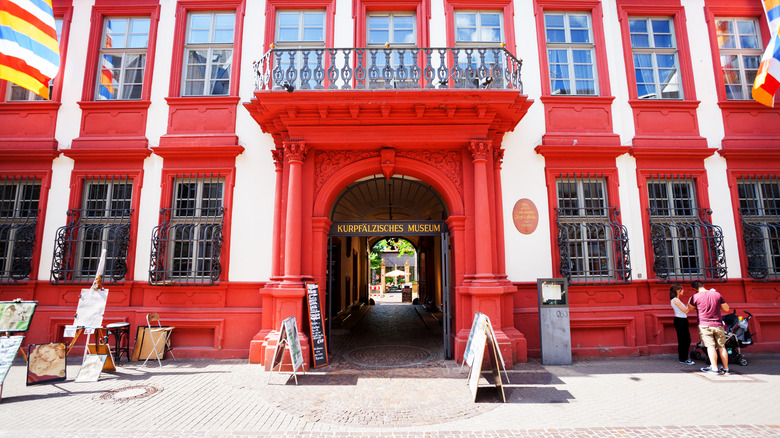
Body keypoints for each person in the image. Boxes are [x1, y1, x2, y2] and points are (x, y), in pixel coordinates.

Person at [689, 281, 730, 375]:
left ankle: (714, 368)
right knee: (722, 346)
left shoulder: (695, 296)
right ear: (703, 285)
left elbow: (690, 308)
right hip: (718, 324)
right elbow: (726, 308)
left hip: (704, 324)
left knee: (710, 346)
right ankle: (726, 369)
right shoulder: (716, 294)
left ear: (695, 289)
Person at [669, 284, 694, 365]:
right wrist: (690, 302)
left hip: (681, 320)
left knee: (684, 340)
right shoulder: (676, 300)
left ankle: (683, 358)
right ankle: (683, 358)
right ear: (677, 290)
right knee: (685, 340)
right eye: (682, 289)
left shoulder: (676, 300)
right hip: (680, 320)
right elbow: (686, 311)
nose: (683, 291)